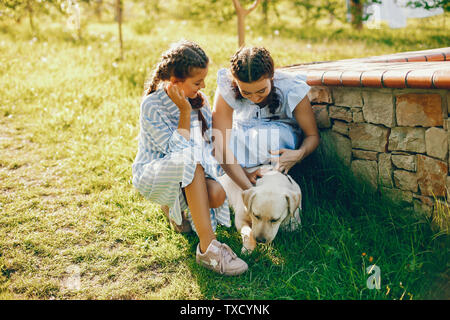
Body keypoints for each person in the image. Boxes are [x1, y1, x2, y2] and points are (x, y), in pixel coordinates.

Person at [132, 40, 248, 276]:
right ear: (175, 82)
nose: (203, 85)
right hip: (155, 171)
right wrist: (184, 112)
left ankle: (179, 210)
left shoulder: (201, 101)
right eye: (197, 82)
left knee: (216, 194)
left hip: (189, 170)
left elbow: (208, 149)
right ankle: (208, 249)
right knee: (188, 158)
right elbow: (176, 151)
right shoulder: (152, 105)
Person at [212, 46, 320, 191]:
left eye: (261, 91)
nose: (255, 98)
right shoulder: (227, 87)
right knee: (213, 140)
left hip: (277, 137)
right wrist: (245, 178)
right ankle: (234, 172)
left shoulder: (291, 88)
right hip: (242, 134)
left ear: (272, 76)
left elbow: (312, 136)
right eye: (246, 93)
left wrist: (299, 154)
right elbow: (220, 143)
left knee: (265, 139)